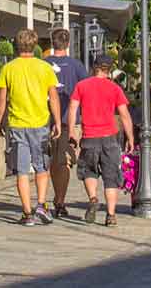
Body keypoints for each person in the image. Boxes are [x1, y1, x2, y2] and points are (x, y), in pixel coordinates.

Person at [0, 28, 62, 226]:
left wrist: (0, 121)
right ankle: (41, 204)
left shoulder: (8, 68)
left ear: (17, 45)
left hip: (17, 124)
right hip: (40, 123)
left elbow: (2, 99)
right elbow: (54, 97)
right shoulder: (45, 68)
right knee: (42, 166)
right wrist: (57, 122)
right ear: (35, 46)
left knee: (22, 171)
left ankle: (27, 213)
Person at [67, 52, 137, 228]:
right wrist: (130, 137)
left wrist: (71, 132)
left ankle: (93, 198)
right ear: (109, 70)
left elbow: (73, 109)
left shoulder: (82, 86)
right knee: (111, 177)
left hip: (89, 137)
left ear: (94, 67)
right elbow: (125, 115)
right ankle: (111, 215)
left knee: (89, 171)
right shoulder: (115, 89)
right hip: (109, 138)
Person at [45, 28, 91, 219]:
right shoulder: (77, 66)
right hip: (69, 121)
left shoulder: (44, 64)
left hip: (46, 120)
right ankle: (60, 201)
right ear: (68, 43)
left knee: (55, 163)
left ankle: (58, 198)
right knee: (63, 162)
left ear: (52, 42)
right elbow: (87, 92)